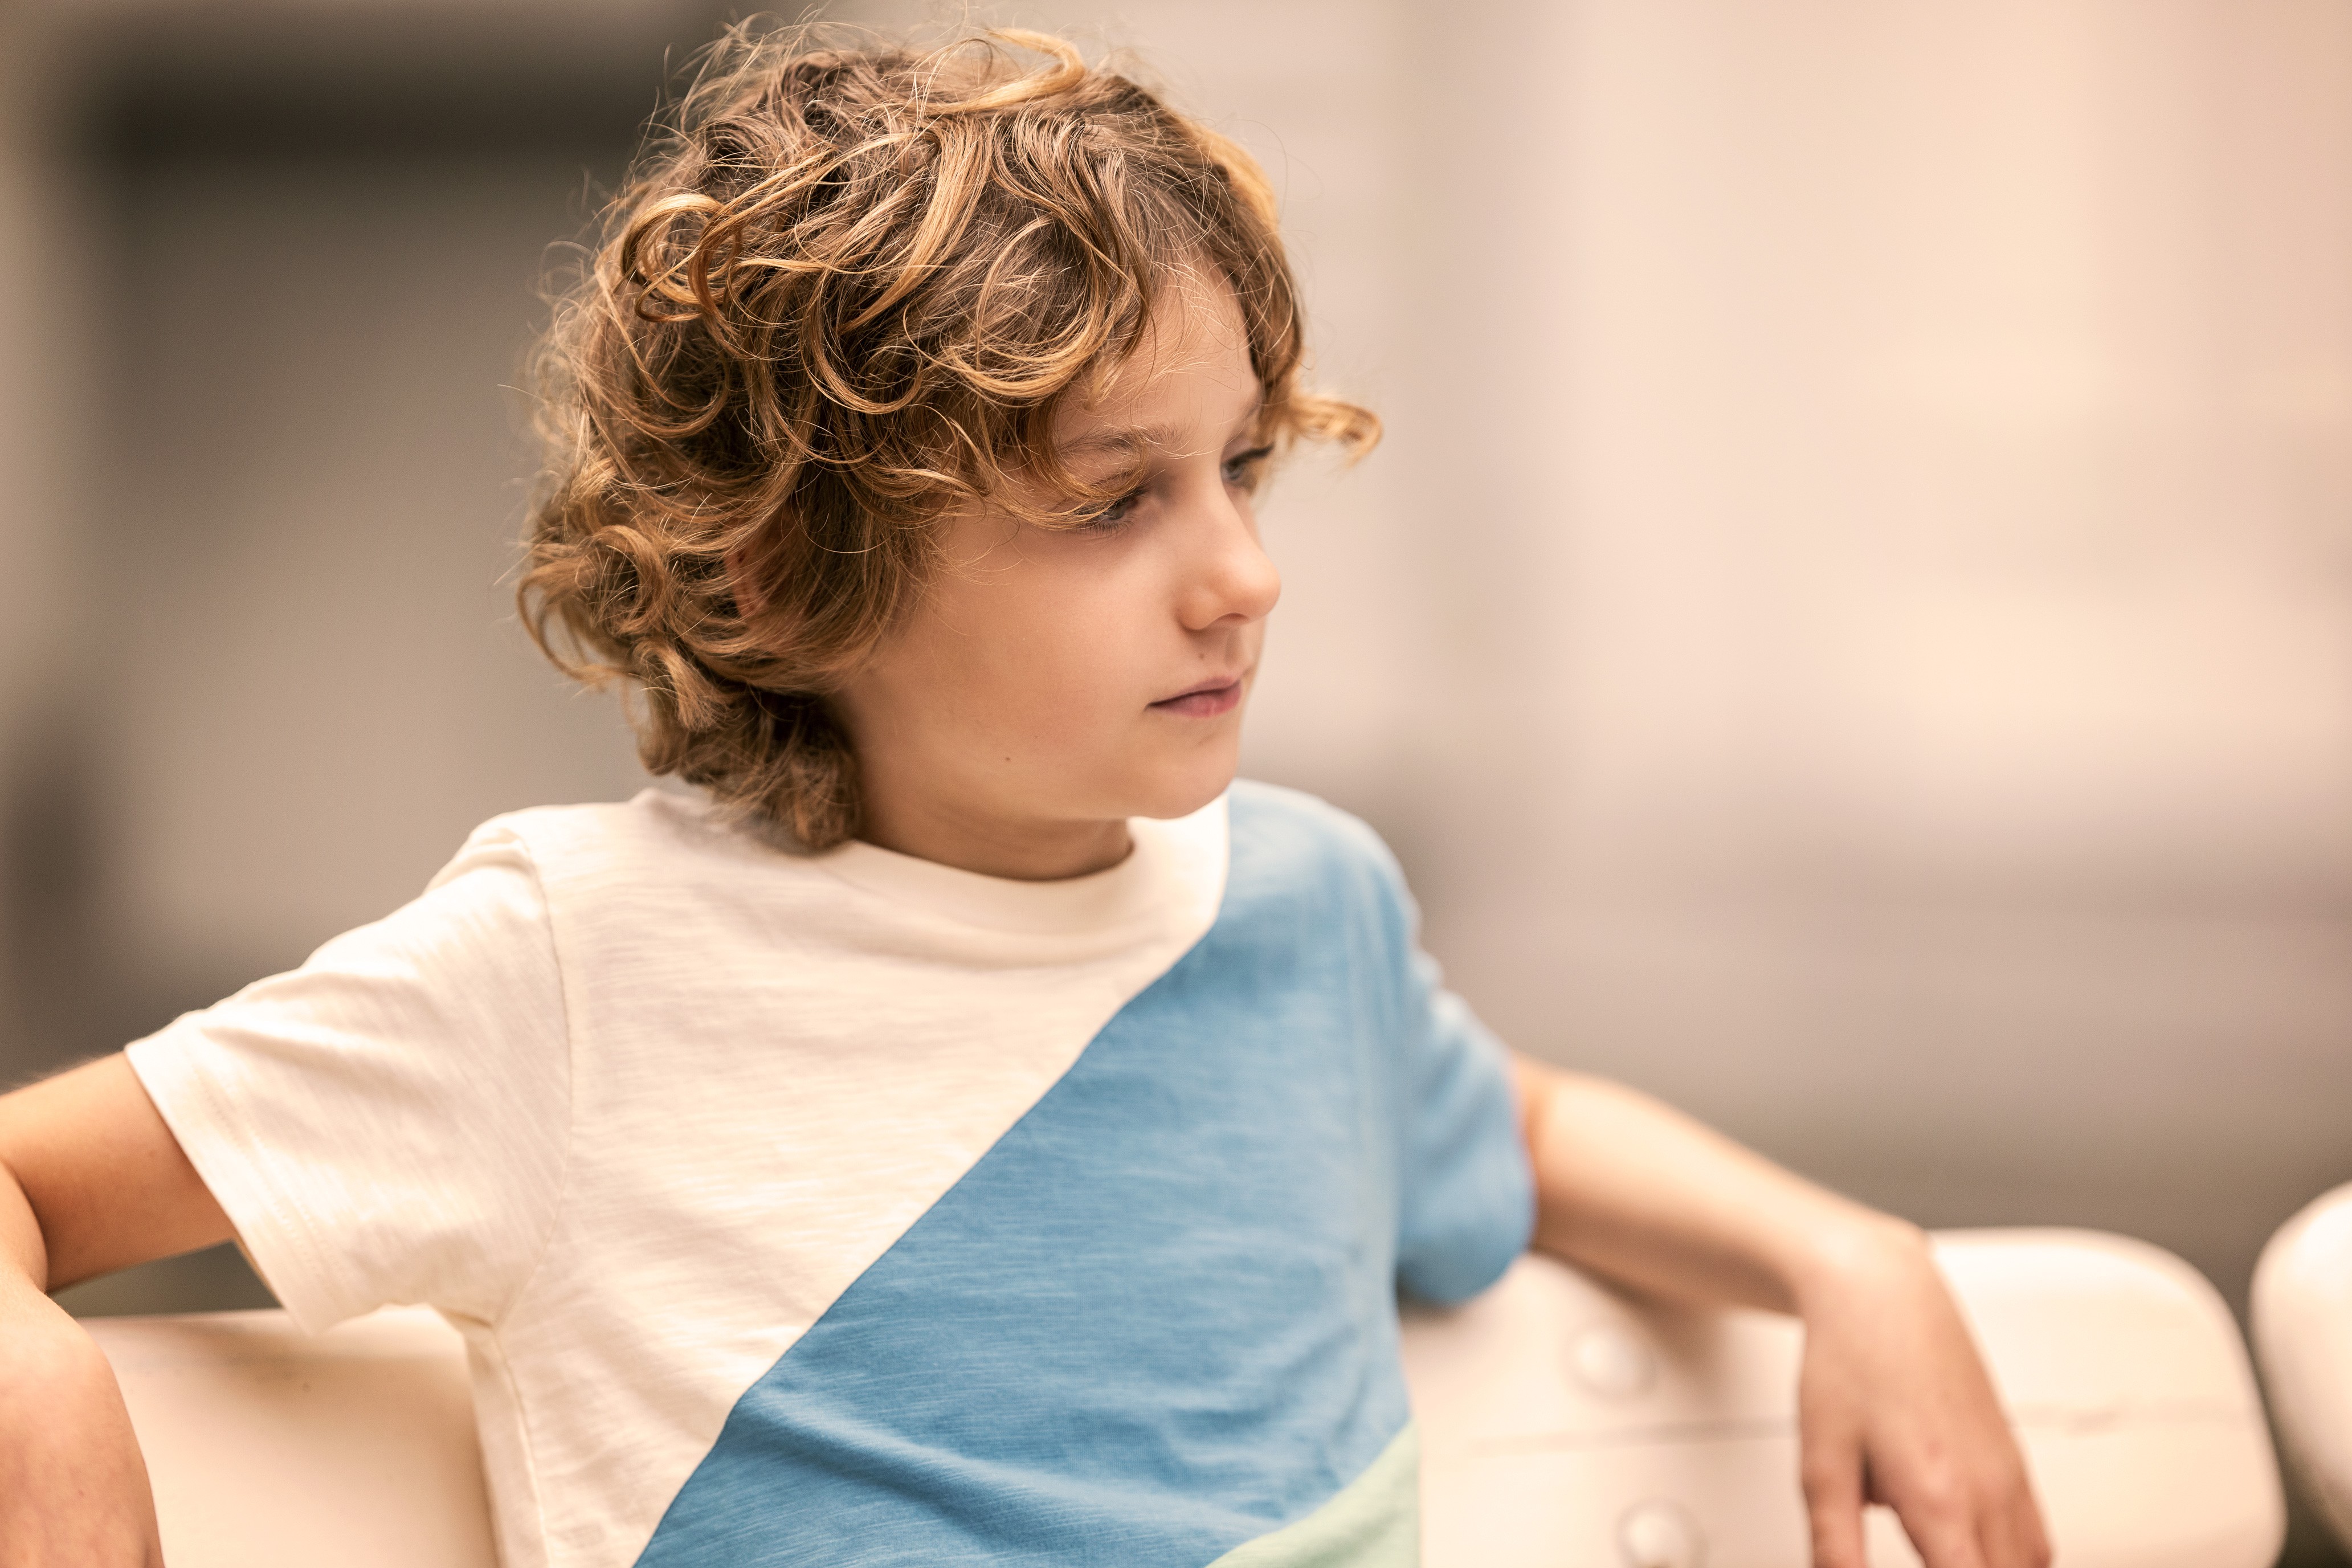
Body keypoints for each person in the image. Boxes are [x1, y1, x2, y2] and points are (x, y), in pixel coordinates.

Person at [0, 24, 2048, 1568]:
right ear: (776, 574)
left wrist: (1848, 1261)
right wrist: (45, 1400)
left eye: (1241, 467)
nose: (1242, 574)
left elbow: (1510, 1126)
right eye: (1111, 499)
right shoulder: (569, 972)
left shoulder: (1306, 911)